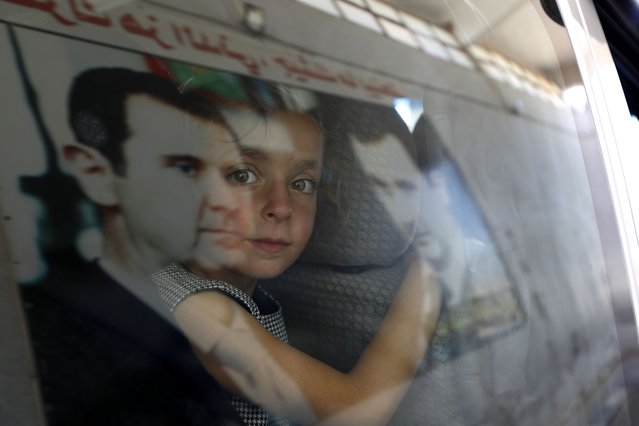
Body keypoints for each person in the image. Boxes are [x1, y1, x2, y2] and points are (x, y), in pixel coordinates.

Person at [150, 94, 443, 425]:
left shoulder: (220, 291)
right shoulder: (196, 310)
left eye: (302, 183)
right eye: (242, 175)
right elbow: (355, 412)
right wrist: (429, 268)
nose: (282, 206)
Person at [20, 66, 248, 425]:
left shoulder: (221, 303)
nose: (227, 200)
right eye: (186, 167)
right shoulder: (49, 343)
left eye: (232, 175)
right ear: (97, 176)